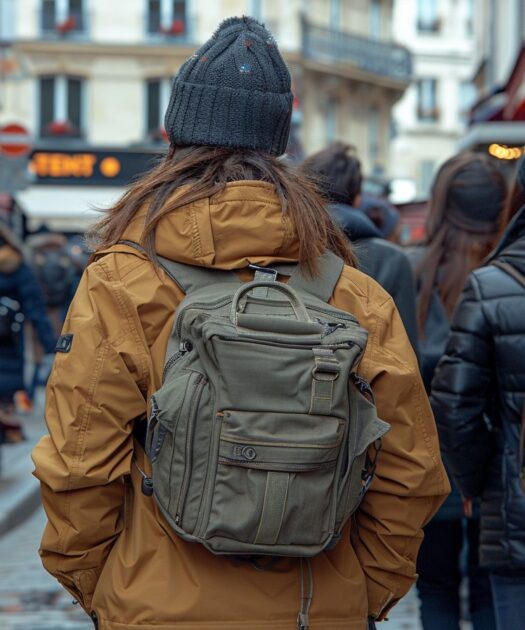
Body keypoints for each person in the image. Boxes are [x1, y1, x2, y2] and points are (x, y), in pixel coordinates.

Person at [32, 17, 448, 630]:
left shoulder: (123, 280)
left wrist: (108, 589)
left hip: (157, 606)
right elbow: (409, 473)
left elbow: (79, 462)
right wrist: (360, 594)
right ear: (279, 144)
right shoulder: (353, 292)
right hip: (317, 607)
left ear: (173, 136)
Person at [408, 152, 507, 630]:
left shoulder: (412, 273)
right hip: (499, 468)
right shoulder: (509, 276)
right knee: (492, 592)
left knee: (436, 588)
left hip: (430, 466)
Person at [431, 156, 525, 630]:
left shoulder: (484, 284)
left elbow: (452, 405)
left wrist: (475, 481)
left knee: (439, 587)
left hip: (492, 494)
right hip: (497, 485)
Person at [301, 143, 419, 354]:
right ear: (357, 199)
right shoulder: (392, 259)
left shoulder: (284, 245)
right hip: (365, 383)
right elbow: (404, 355)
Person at [0, 220, 55, 434]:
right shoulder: (17, 265)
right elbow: (36, 307)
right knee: (9, 390)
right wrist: (49, 344)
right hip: (11, 338)